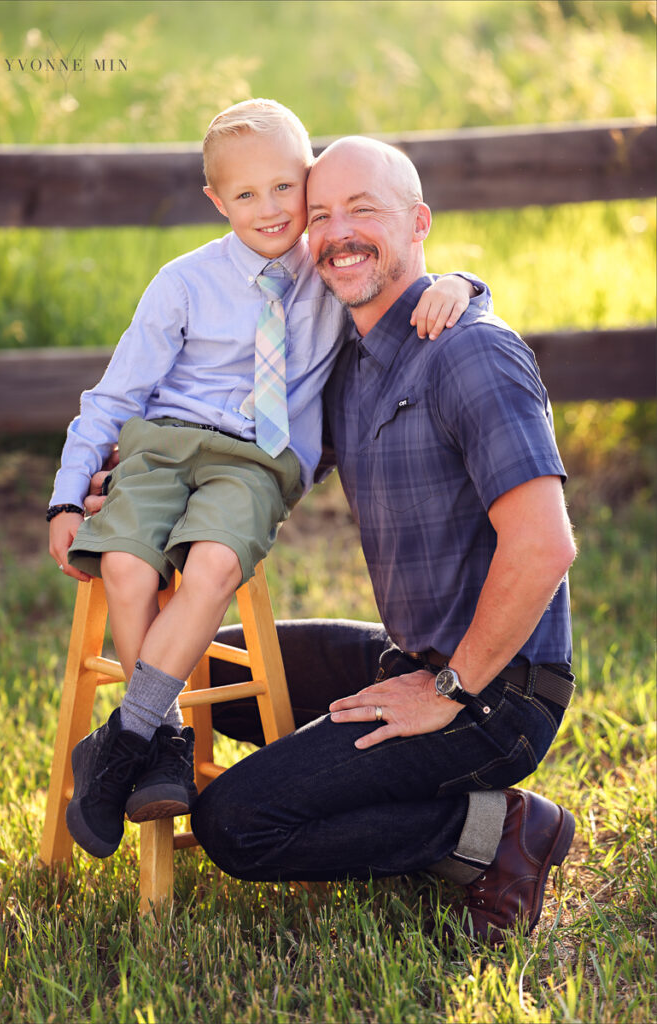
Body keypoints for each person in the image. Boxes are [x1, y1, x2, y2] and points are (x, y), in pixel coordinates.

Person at [47, 101, 486, 860]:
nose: (271, 210)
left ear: (307, 183)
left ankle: (122, 740)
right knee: (125, 562)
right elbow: (113, 398)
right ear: (216, 202)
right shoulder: (184, 282)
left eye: (286, 189)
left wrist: (465, 284)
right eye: (245, 195)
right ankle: (163, 738)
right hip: (159, 449)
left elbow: (396, 275)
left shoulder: (328, 271)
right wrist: (66, 491)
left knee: (212, 564)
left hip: (255, 459)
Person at [183, 136, 577, 947]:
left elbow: (544, 546)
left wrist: (447, 691)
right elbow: (255, 455)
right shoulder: (349, 364)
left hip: (494, 692)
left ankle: (492, 835)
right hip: (411, 656)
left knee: (237, 823)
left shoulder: (471, 353)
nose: (338, 232)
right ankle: (403, 789)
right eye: (320, 215)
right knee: (212, 672)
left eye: (363, 210)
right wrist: (121, 475)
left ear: (419, 221)